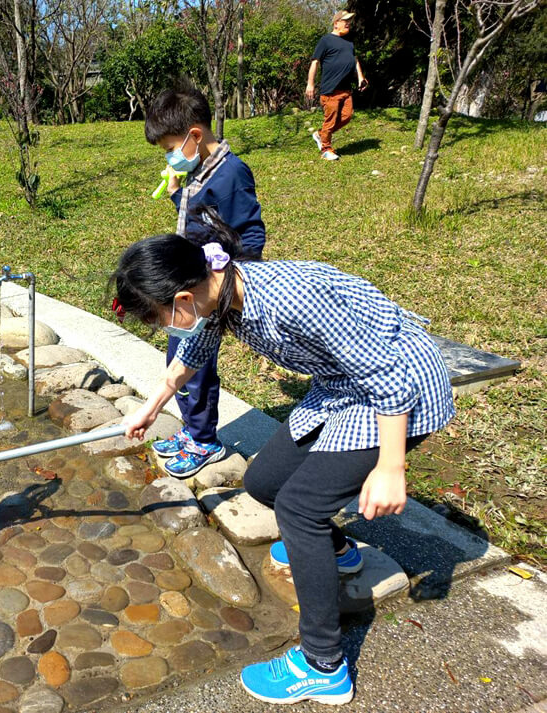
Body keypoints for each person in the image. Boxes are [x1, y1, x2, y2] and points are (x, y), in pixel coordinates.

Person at [115, 206, 455, 706]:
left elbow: (386, 375)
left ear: (183, 298)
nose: (161, 326)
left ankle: (324, 665)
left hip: (400, 394)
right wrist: (151, 407)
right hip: (341, 387)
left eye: (158, 317)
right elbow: (194, 351)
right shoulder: (221, 293)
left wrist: (390, 466)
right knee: (264, 483)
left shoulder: (292, 302)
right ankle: (336, 552)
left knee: (299, 508)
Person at [142, 82, 266, 478]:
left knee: (195, 365)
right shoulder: (197, 168)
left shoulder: (232, 174)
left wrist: (223, 278)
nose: (170, 156)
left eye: (170, 148)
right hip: (188, 287)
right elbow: (200, 215)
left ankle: (205, 440)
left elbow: (251, 233)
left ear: (195, 135)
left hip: (209, 292)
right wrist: (178, 191)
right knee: (177, 360)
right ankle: (193, 430)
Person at [306, 10, 367, 160]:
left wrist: (360, 77)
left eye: (349, 21)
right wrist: (310, 84)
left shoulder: (349, 41)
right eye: (345, 21)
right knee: (330, 120)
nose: (348, 23)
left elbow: (355, 59)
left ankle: (320, 135)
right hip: (330, 90)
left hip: (346, 89)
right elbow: (315, 62)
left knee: (347, 116)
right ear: (336, 23)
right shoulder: (326, 40)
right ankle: (326, 150)